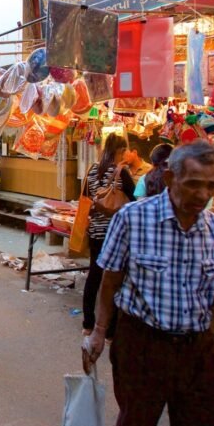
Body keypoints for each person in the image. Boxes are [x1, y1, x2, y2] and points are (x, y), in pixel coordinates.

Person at [83, 140, 214, 426]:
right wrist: (98, 332)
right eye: (193, 184)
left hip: (198, 349)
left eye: (211, 186)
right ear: (171, 178)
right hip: (142, 345)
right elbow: (110, 281)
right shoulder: (132, 218)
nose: (203, 195)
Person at [82, 135, 136, 338]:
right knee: (113, 278)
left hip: (96, 230)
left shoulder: (92, 170)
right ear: (120, 150)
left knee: (94, 275)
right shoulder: (121, 172)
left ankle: (88, 323)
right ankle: (110, 330)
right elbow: (134, 199)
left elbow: (87, 196)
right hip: (115, 232)